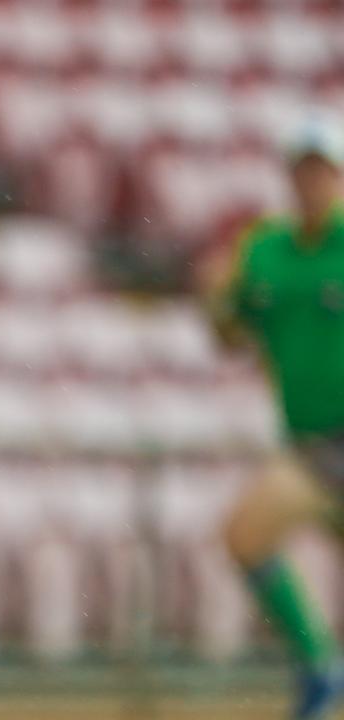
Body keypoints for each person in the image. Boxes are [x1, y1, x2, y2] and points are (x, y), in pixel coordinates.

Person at [208, 114, 344, 720]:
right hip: (312, 444)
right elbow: (232, 331)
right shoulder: (266, 250)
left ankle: (322, 668)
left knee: (248, 532)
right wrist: (213, 299)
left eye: (322, 169)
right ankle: (320, 663)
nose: (310, 181)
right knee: (246, 534)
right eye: (302, 169)